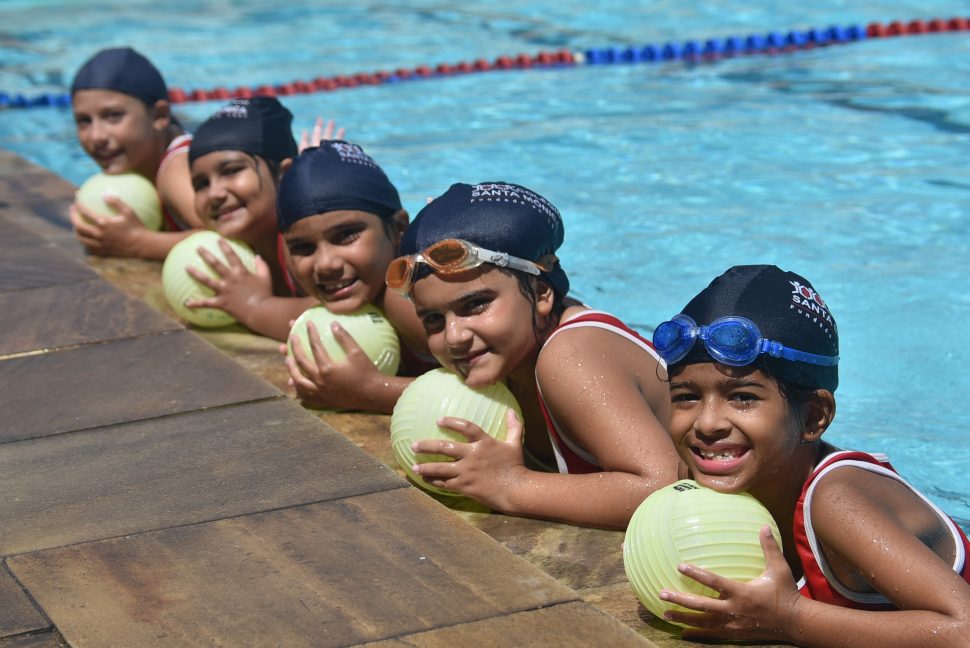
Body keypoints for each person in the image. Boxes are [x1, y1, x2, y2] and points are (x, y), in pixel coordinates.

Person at [650, 264, 970, 645]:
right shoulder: (700, 478)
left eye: (743, 397)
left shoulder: (836, 502)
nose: (706, 424)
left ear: (814, 417)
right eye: (686, 397)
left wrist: (790, 619)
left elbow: (963, 630)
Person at [385, 181, 680, 529]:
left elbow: (664, 487)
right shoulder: (501, 355)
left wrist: (512, 485)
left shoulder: (570, 355)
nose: (454, 337)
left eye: (476, 304)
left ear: (541, 293)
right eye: (434, 319)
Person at [277, 141, 435, 412]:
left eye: (346, 235)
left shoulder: (408, 299)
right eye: (303, 248)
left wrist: (369, 390)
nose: (325, 264)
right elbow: (288, 311)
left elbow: (502, 388)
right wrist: (246, 303)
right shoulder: (360, 290)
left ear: (399, 229)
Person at [184, 96, 320, 340]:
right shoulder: (236, 245)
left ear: (284, 174)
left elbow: (331, 317)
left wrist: (252, 306)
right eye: (201, 184)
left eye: (232, 171)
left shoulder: (303, 237)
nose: (215, 193)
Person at [69, 46, 203, 259]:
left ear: (159, 116)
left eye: (113, 116)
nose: (96, 136)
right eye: (84, 121)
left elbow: (231, 238)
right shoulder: (138, 163)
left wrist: (139, 244)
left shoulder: (176, 169)